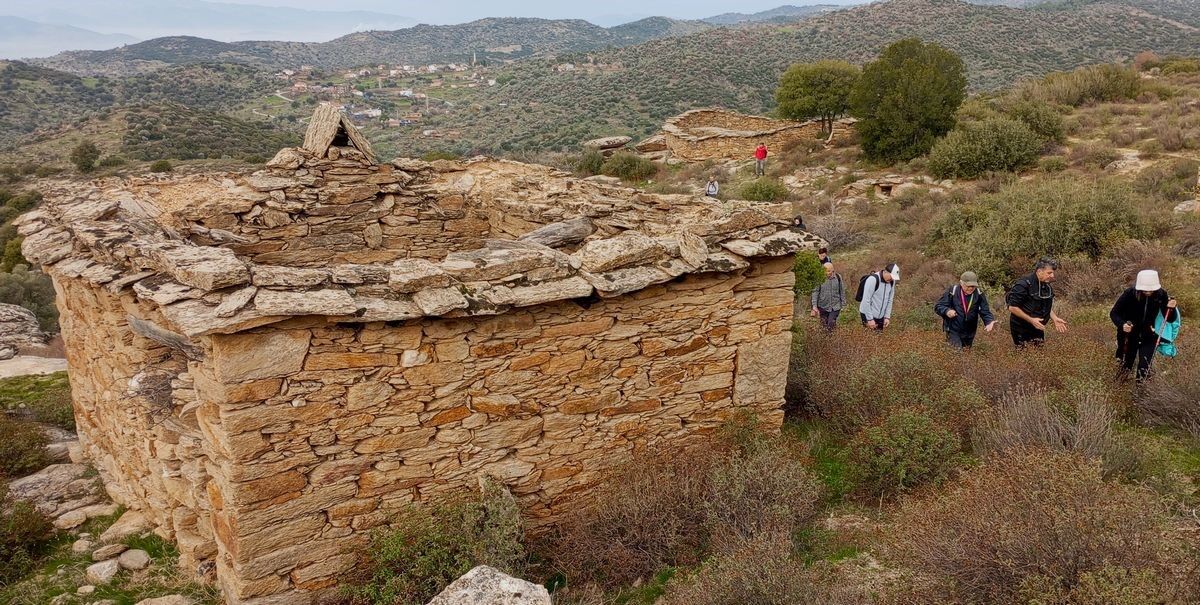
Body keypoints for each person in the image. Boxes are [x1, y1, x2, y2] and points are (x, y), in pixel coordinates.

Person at [1109, 269, 1178, 380]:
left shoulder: (1161, 294)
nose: (1148, 293)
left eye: (1151, 290)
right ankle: (1118, 388)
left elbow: (1169, 319)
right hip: (1129, 335)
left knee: (1144, 369)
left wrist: (1172, 308)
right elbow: (1114, 313)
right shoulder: (1129, 294)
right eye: (1145, 290)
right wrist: (1122, 325)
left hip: (1149, 335)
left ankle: (1140, 394)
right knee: (1125, 366)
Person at [1007, 258, 1068, 347]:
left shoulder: (1046, 285)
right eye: (1049, 273)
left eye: (1052, 273)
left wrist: (1054, 318)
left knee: (1038, 353)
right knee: (1023, 354)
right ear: (1039, 271)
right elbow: (1012, 307)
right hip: (1021, 327)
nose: (1052, 275)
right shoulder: (1023, 284)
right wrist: (1031, 320)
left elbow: (1045, 305)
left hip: (1038, 326)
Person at [934, 271, 997, 350]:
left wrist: (989, 322)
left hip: (970, 331)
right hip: (953, 329)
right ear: (961, 283)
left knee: (965, 353)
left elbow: (985, 311)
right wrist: (947, 311)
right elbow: (938, 306)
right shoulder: (952, 291)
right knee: (956, 352)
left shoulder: (979, 294)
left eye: (973, 286)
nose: (971, 288)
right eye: (968, 286)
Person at [859, 263, 899, 331]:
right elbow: (866, 300)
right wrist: (870, 319)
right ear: (885, 271)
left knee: (878, 337)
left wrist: (887, 317)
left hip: (881, 315)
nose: (892, 279)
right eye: (891, 276)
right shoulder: (873, 279)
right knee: (869, 338)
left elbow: (890, 299)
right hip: (867, 314)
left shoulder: (892, 281)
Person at [810, 262, 846, 331]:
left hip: (835, 306)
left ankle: (832, 339)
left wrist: (843, 304)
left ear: (833, 270)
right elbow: (815, 292)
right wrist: (814, 306)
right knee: (824, 327)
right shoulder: (819, 278)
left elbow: (841, 290)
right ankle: (826, 341)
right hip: (823, 306)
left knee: (831, 325)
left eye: (829, 271)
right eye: (825, 271)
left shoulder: (838, 277)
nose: (827, 273)